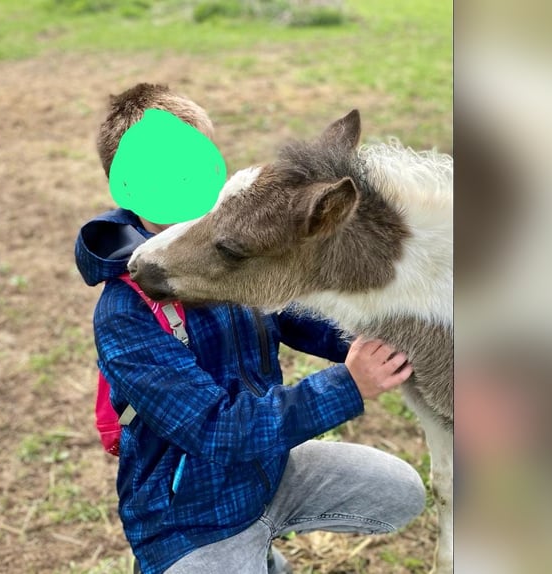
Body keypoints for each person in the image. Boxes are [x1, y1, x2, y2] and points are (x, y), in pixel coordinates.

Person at [75, 83, 425, 574]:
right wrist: (348, 384)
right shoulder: (125, 313)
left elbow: (298, 318)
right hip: (192, 516)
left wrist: (394, 337)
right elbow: (217, 430)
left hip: (267, 470)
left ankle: (257, 541)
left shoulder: (234, 248)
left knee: (399, 490)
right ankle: (222, 558)